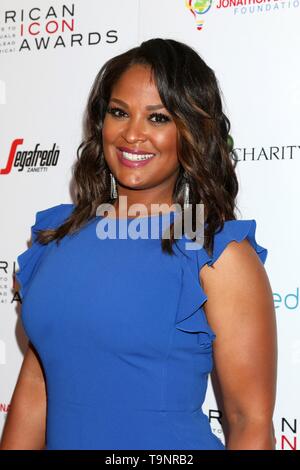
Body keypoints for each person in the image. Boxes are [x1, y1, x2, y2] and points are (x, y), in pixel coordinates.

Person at [0, 38, 277, 450]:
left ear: (191, 130)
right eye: (119, 112)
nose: (133, 134)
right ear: (101, 122)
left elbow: (248, 420)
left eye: (158, 118)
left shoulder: (215, 252)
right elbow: (38, 386)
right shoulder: (55, 235)